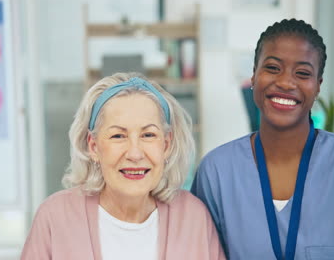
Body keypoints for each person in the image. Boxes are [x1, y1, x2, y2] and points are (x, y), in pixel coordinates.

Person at [191, 19, 334, 259]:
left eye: (302, 73)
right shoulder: (216, 172)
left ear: (318, 86)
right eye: (272, 68)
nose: (286, 82)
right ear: (254, 76)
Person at [21, 72, 225, 260]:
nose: (135, 154)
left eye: (148, 135)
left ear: (166, 144)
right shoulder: (54, 218)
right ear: (93, 146)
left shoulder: (193, 217)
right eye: (118, 136)